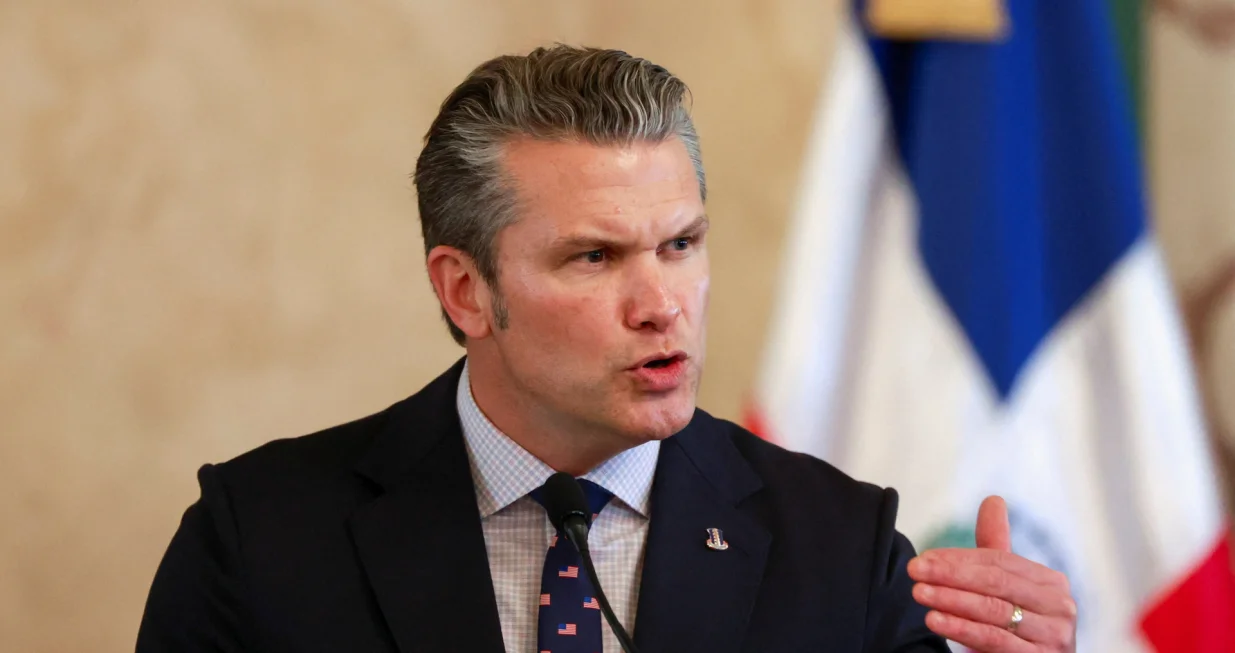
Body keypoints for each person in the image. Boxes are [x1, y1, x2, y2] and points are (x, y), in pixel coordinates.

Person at [136, 45, 1078, 653]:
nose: (661, 303)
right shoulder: (259, 540)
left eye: (681, 244)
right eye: (594, 256)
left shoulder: (840, 548)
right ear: (466, 290)